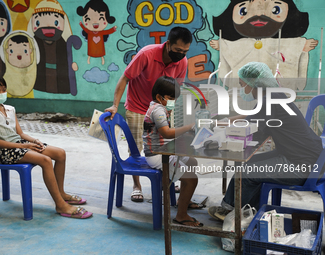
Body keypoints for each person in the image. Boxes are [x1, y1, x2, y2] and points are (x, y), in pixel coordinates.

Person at [208, 62, 323, 221]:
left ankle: (234, 213)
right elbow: (252, 119)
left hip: (301, 165)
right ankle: (243, 210)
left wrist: (218, 137)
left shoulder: (269, 101)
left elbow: (247, 128)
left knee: (246, 172)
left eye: (243, 85)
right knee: (251, 162)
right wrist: (223, 123)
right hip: (308, 158)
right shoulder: (275, 96)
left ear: (253, 84)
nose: (243, 90)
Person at [0, 73, 92, 219]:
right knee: (45, 160)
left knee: (60, 153)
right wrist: (25, 147)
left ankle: (61, 192)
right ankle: (60, 204)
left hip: (21, 145)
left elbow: (20, 133)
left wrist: (34, 141)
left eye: (3, 89)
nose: (2, 93)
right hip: (5, 152)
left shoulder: (10, 108)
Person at [105, 26, 193, 202]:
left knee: (166, 145)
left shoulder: (182, 62)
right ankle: (137, 186)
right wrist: (115, 105)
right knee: (136, 147)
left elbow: (177, 89)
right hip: (138, 106)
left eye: (185, 51)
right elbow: (125, 78)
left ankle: (165, 180)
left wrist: (172, 112)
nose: (181, 54)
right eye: (177, 50)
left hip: (161, 108)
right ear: (168, 44)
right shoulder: (147, 54)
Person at [143, 76, 203, 226]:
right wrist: (190, 126)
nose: (173, 102)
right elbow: (167, 133)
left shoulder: (160, 107)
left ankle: (184, 200)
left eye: (175, 98)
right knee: (191, 179)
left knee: (192, 161)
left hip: (162, 151)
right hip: (157, 156)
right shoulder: (158, 110)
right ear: (159, 97)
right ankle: (181, 215)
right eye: (170, 98)